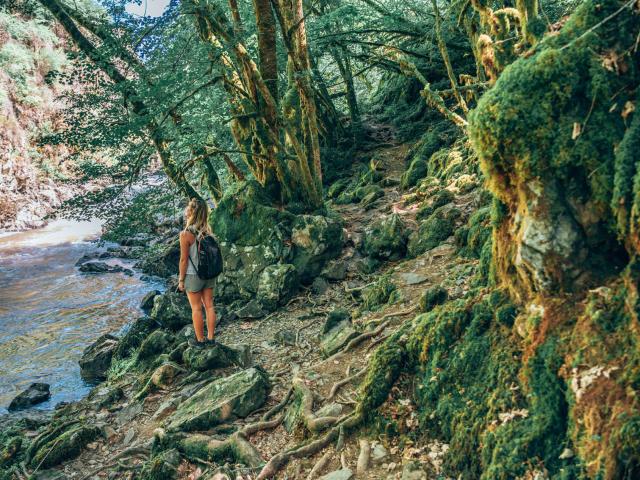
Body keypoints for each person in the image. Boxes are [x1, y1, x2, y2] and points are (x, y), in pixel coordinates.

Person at [178, 198, 217, 348]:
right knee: (209, 306)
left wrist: (181, 280)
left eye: (188, 208)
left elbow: (183, 260)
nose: (186, 210)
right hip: (209, 274)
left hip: (193, 276)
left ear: (192, 212)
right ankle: (211, 338)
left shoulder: (186, 234)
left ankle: (200, 341)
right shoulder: (208, 230)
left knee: (196, 308)